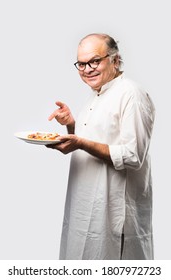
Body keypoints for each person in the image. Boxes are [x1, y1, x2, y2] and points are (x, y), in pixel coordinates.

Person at [47, 33, 155, 260]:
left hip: (113, 214)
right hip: (84, 207)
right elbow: (90, 142)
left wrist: (80, 142)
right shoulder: (96, 96)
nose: (87, 69)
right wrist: (71, 125)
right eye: (81, 64)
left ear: (115, 60)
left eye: (95, 61)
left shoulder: (131, 95)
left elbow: (133, 156)